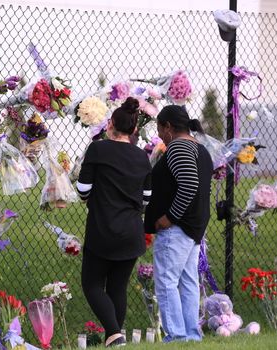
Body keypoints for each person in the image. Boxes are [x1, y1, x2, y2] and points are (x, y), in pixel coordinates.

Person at [77, 97, 152, 347]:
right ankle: (115, 338)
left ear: (110, 125)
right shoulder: (142, 156)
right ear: (134, 130)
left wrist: (95, 196)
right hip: (131, 231)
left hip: (103, 229)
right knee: (118, 287)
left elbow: (83, 189)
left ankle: (114, 333)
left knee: (92, 284)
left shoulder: (97, 149)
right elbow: (147, 197)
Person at [144, 105, 213, 342]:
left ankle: (175, 335)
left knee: (166, 282)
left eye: (160, 129)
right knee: (188, 282)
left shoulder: (179, 147)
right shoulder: (199, 148)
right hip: (193, 227)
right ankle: (191, 335)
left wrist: (169, 217)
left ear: (169, 127)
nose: (160, 135)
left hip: (177, 228)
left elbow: (189, 184)